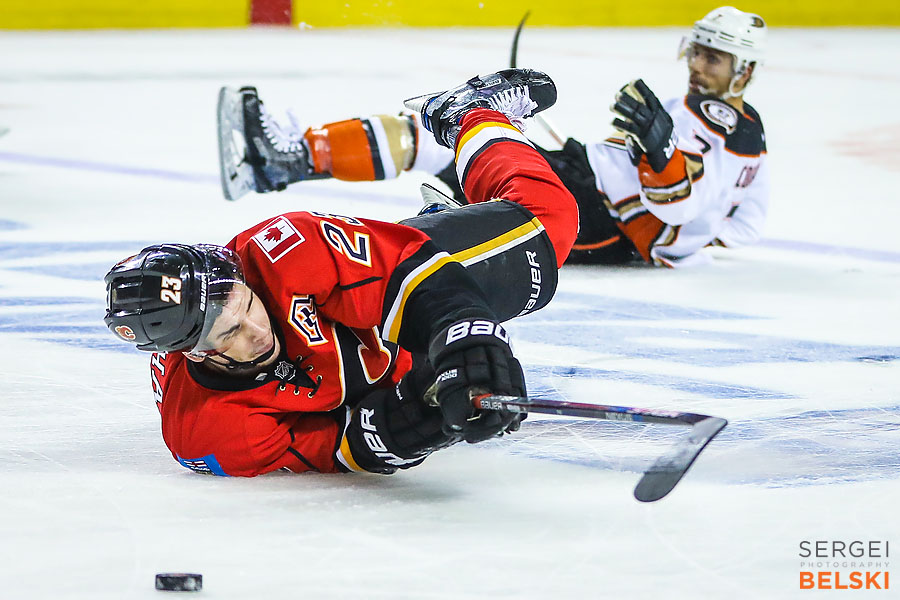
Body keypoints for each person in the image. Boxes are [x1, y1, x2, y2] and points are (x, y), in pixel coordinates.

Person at [105, 69, 579, 477]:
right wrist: (417, 420)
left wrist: (470, 341)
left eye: (246, 304)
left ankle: (469, 113)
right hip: (384, 359)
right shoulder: (208, 431)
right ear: (192, 354)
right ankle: (446, 219)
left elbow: (410, 274)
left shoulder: (283, 250)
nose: (255, 330)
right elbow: (338, 447)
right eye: (228, 334)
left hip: (378, 286)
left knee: (550, 223)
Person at [219, 6, 768, 268]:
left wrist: (660, 157)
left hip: (595, 220)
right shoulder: (714, 120)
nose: (698, 64)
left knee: (453, 137)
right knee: (448, 137)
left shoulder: (729, 130)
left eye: (713, 56)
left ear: (743, 69)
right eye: (697, 50)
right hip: (585, 185)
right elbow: (745, 217)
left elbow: (678, 209)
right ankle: (287, 161)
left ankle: (284, 162)